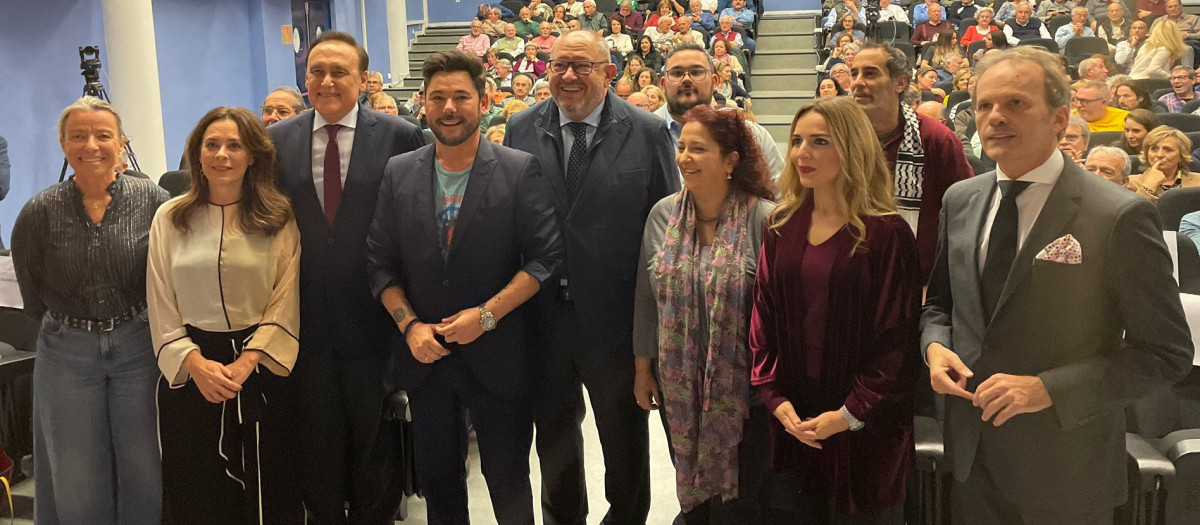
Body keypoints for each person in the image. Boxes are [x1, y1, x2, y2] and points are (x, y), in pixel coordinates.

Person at [922, 46, 1192, 523]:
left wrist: (1049, 389)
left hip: (1066, 468)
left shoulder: (1118, 214)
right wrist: (935, 347)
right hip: (971, 458)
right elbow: (941, 304)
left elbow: (1164, 351)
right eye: (984, 105)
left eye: (1016, 104)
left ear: (1059, 118)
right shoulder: (960, 199)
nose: (995, 117)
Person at [365, 49, 563, 525]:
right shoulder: (399, 171)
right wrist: (410, 327)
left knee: (508, 479)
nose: (449, 108)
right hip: (424, 359)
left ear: (483, 100)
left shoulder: (519, 169)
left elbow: (544, 259)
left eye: (460, 97)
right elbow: (379, 263)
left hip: (497, 355)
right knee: (438, 483)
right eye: (438, 98)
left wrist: (487, 315)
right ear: (423, 104)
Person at [503, 29, 677, 525]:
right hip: (543, 316)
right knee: (554, 441)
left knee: (623, 441)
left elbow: (664, 227)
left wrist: (654, 328)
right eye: (559, 65)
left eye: (582, 66)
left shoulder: (645, 130)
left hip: (616, 321)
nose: (569, 76)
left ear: (608, 71)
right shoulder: (520, 127)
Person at [266, 30, 425, 524]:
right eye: (317, 71)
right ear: (305, 78)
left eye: (340, 71)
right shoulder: (276, 141)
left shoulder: (400, 136)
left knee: (375, 447)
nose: (327, 81)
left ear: (363, 79)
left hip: (376, 322)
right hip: (304, 325)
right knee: (317, 445)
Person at [750, 96, 922, 523]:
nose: (802, 153)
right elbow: (762, 318)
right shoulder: (781, 224)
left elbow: (896, 342)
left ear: (852, 148)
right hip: (795, 418)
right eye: (797, 141)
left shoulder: (887, 233)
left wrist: (849, 414)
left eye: (820, 141)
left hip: (863, 426)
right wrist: (773, 395)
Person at [11, 96, 168, 525]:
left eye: (103, 135)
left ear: (121, 143)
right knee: (76, 473)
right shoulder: (38, 211)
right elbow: (33, 294)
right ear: (63, 145)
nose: (91, 145)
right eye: (78, 136)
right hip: (67, 351)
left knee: (145, 465)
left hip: (138, 345)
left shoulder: (154, 200)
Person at [147, 106, 302, 523]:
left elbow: (285, 297)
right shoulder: (170, 216)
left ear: (252, 155)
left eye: (234, 145)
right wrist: (194, 363)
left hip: (259, 367)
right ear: (197, 155)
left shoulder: (277, 216)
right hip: (191, 369)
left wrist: (249, 361)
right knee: (196, 485)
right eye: (211, 145)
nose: (222, 154)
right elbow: (160, 298)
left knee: (267, 483)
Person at [632, 104, 776, 524]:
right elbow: (648, 298)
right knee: (693, 499)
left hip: (745, 390)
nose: (684, 158)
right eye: (682, 147)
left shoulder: (764, 219)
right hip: (679, 387)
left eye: (698, 149)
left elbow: (778, 313)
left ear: (731, 160)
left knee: (743, 502)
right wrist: (644, 369)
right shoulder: (662, 215)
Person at [849, 43, 974, 278]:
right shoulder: (838, 137)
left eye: (870, 73)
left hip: (918, 277)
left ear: (900, 83)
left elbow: (964, 213)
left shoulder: (936, 139)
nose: (858, 82)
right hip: (850, 273)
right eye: (854, 73)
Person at [656, 43, 785, 182]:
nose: (687, 79)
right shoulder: (642, 133)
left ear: (714, 82)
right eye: (677, 73)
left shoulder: (752, 135)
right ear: (663, 84)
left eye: (696, 72)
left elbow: (780, 196)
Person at [1128, 126, 1200, 197]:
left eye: (1168, 150)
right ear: (1147, 153)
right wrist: (1149, 185)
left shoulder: (1198, 181)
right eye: (1154, 149)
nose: (1159, 155)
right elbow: (1138, 208)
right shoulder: (1130, 183)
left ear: (1181, 156)